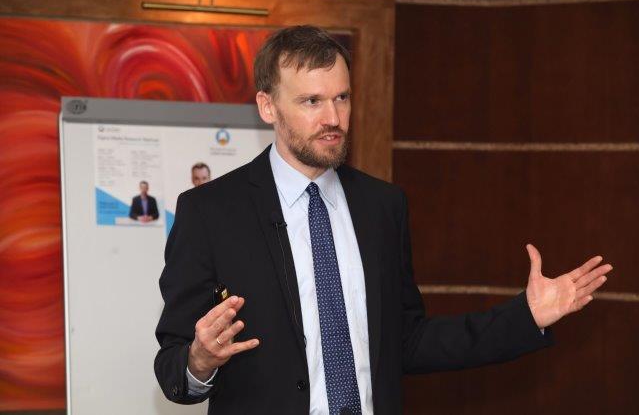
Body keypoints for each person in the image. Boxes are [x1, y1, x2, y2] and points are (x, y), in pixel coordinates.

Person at [154, 26, 612, 414]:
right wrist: (199, 360)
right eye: (312, 101)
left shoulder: (382, 205)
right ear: (267, 106)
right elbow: (172, 366)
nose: (333, 118)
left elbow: (408, 341)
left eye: (342, 97)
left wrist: (525, 316)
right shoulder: (210, 212)